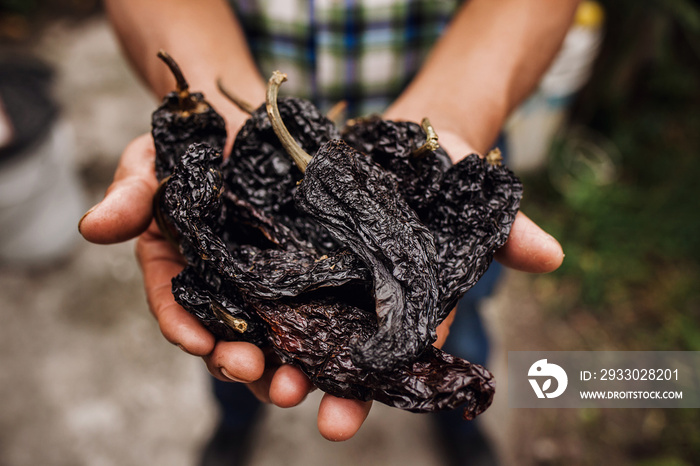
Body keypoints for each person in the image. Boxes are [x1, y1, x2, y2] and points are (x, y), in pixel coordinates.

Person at [79, 0, 575, 458]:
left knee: (455, 322)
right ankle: (233, 426)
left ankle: (460, 428)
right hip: (253, 98)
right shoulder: (257, 170)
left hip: (441, 108)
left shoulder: (368, 180)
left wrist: (463, 111)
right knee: (237, 350)